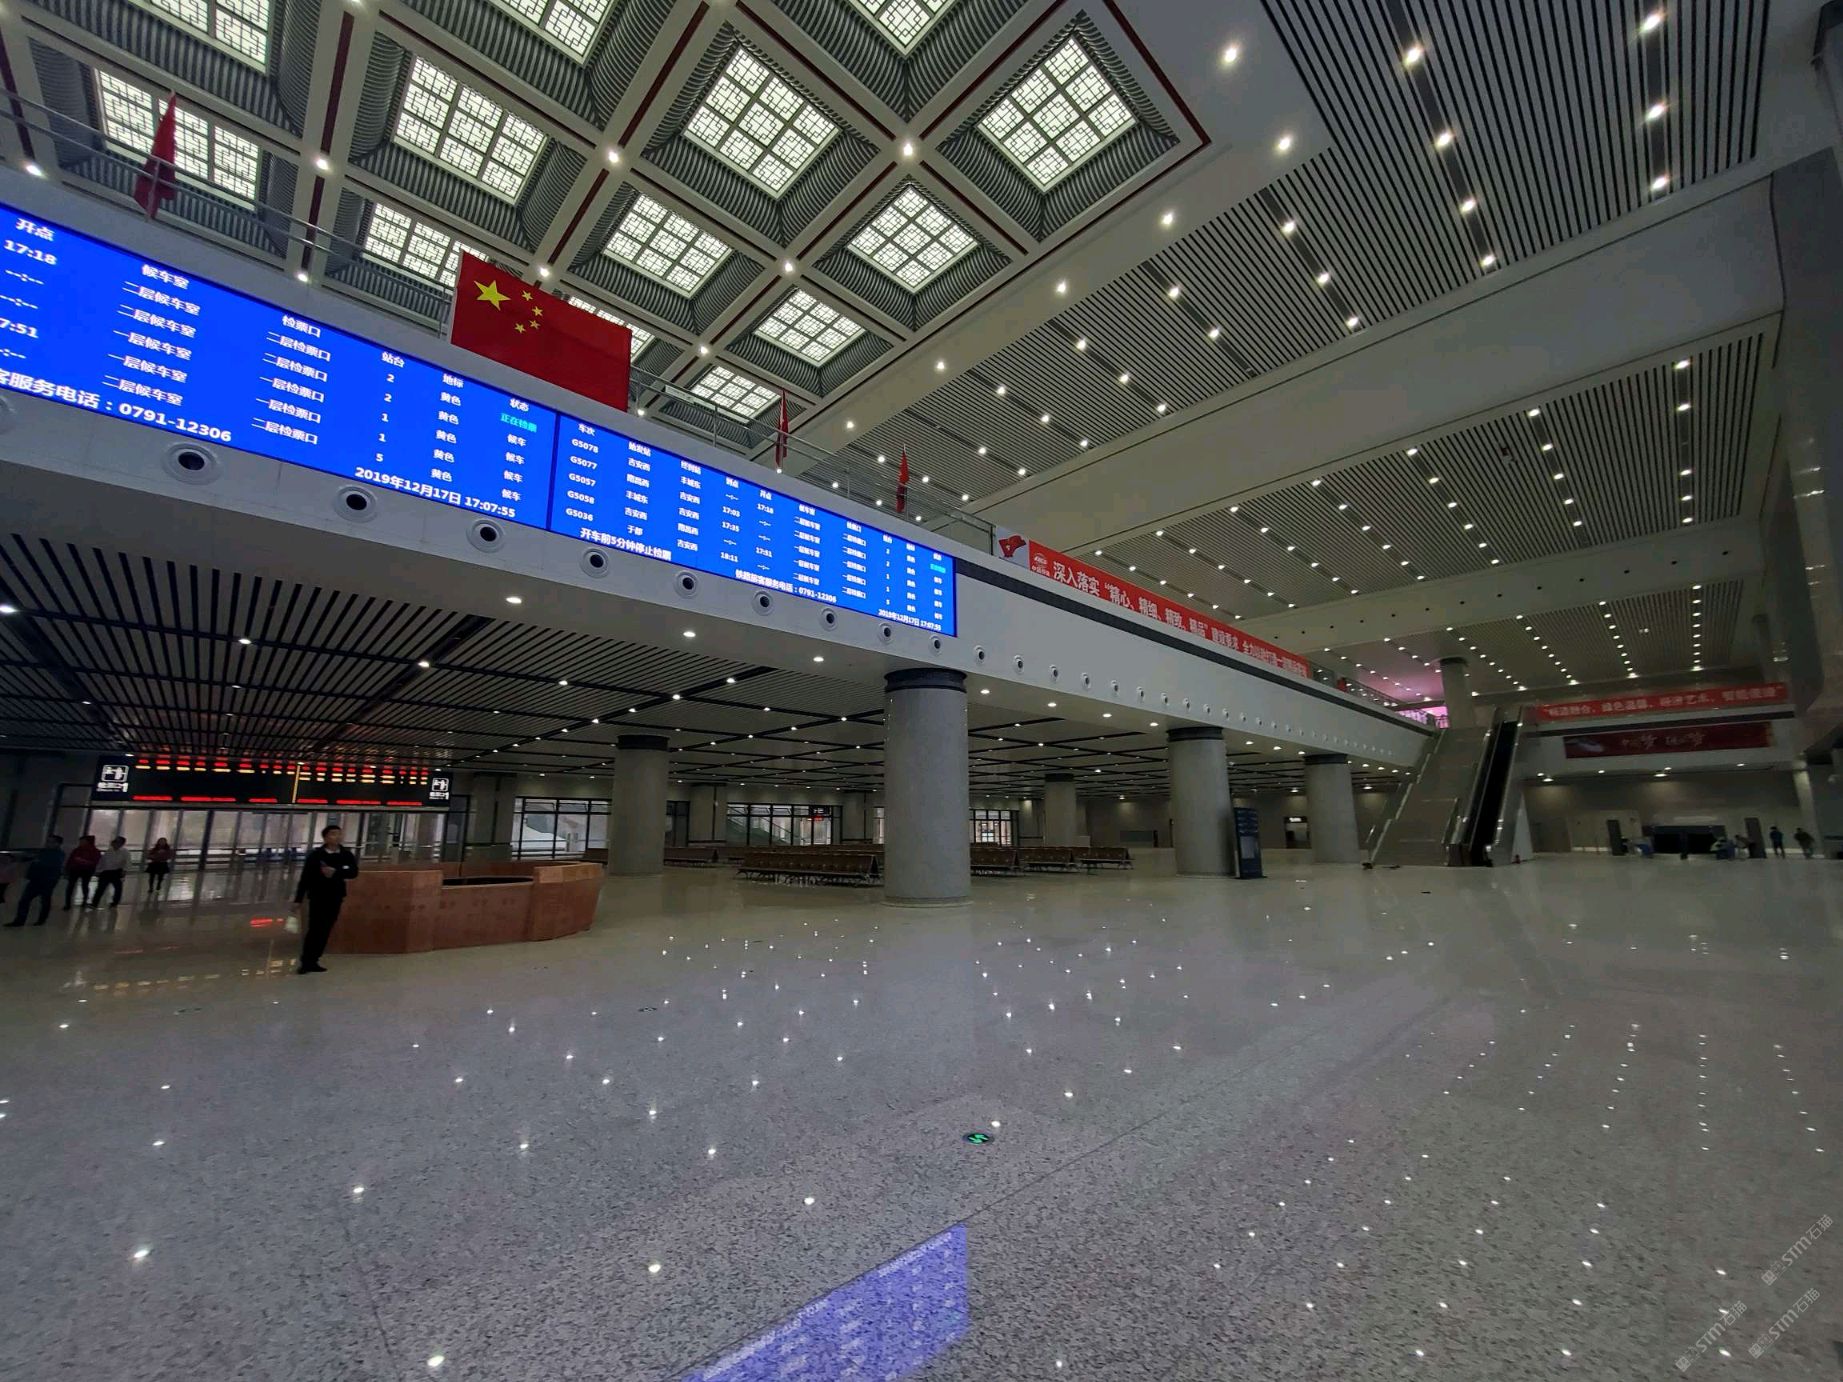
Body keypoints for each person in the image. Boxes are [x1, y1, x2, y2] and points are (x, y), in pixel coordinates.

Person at [293, 824, 358, 974]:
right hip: (318, 896)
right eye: (333, 834)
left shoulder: (346, 854)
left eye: (339, 834)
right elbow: (306, 878)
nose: (337, 837)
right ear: (326, 837)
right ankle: (307, 961)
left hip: (336, 896)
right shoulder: (316, 856)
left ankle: (315, 959)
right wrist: (298, 899)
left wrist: (336, 871)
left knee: (326, 928)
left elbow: (353, 872)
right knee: (315, 928)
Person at [6, 835, 65, 926]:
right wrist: (16, 858)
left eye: (51, 842)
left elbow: (51, 864)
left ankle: (41, 920)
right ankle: (19, 921)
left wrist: (38, 861)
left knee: (45, 901)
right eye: (48, 841)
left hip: (48, 880)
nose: (48, 843)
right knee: (24, 900)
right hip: (36, 879)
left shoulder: (59, 854)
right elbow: (30, 858)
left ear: (57, 844)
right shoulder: (43, 851)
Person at [62, 834, 100, 910]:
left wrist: (83, 861)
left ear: (88, 842)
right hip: (75, 870)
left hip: (87, 871)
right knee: (70, 886)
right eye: (80, 841)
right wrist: (67, 870)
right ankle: (67, 904)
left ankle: (84, 901)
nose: (81, 843)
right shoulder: (77, 850)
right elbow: (70, 860)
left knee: (84, 886)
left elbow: (95, 862)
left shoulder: (94, 851)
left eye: (83, 841)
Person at [93, 836, 130, 907]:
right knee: (100, 888)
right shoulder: (109, 851)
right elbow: (102, 861)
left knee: (118, 888)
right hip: (106, 872)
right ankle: (95, 903)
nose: (115, 843)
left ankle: (115, 903)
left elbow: (128, 862)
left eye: (117, 842)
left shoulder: (125, 852)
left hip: (116, 872)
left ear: (122, 843)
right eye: (115, 842)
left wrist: (124, 871)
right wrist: (98, 870)